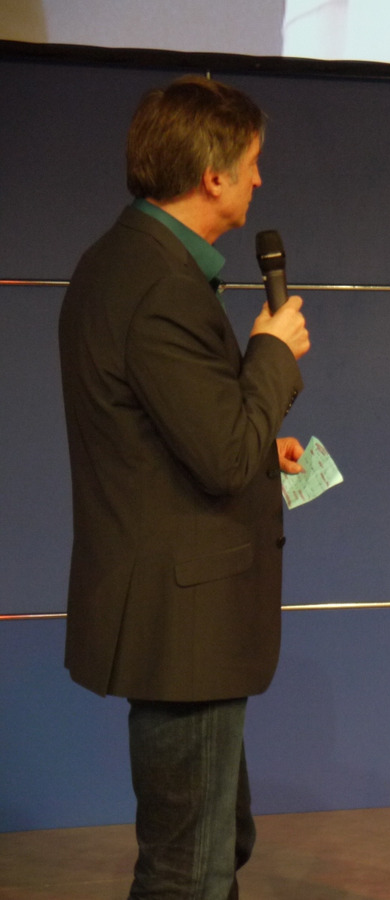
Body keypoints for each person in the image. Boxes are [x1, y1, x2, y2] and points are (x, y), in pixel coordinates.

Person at [58, 75, 310, 897]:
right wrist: (272, 352)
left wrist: (256, 438)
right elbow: (223, 457)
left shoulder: (132, 260)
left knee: (213, 846)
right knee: (188, 868)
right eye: (252, 163)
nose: (259, 179)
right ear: (212, 177)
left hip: (178, 610)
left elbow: (169, 434)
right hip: (185, 620)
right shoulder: (160, 283)